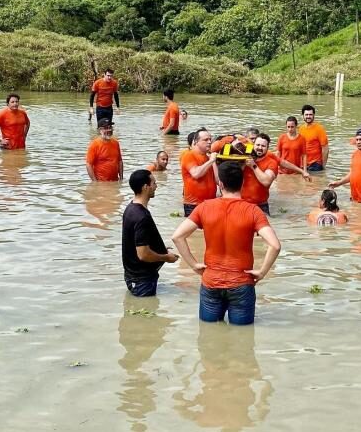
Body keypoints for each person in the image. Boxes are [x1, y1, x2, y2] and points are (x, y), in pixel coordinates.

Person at [171, 162, 282, 325]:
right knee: (242, 338)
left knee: (208, 336)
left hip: (211, 281)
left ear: (220, 184)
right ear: (242, 183)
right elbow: (275, 245)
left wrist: (194, 265)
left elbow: (177, 236)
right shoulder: (253, 211)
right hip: (241, 282)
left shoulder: (204, 207)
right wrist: (262, 272)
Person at [121, 169, 179, 297]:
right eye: (153, 183)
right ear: (145, 187)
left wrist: (159, 248)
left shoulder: (130, 208)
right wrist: (166, 258)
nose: (156, 186)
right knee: (145, 314)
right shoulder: (142, 216)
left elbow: (134, 241)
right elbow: (143, 254)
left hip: (133, 275)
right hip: (142, 280)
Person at [180, 128, 218, 216]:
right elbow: (196, 174)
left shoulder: (209, 158)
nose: (209, 142)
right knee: (196, 230)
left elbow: (218, 181)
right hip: (194, 204)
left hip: (210, 203)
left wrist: (214, 161)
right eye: (205, 140)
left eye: (210, 139)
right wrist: (211, 161)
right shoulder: (188, 155)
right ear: (196, 142)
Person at [241, 133, 279, 215]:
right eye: (257, 145)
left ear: (267, 148)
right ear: (253, 145)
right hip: (242, 203)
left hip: (261, 205)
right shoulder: (244, 158)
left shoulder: (271, 162)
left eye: (263, 146)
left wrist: (253, 165)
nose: (259, 148)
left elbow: (266, 181)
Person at [298, 104, 329, 171]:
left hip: (316, 163)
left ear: (314, 115)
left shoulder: (319, 129)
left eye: (310, 114)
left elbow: (325, 149)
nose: (308, 116)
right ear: (303, 115)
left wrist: (323, 165)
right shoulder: (301, 129)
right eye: (306, 115)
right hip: (304, 163)